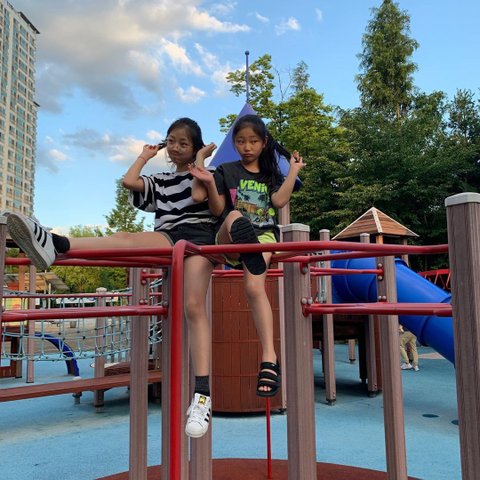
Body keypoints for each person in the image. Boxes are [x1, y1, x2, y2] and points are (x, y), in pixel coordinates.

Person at [6, 117, 217, 438]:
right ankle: (56, 244)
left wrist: (200, 161)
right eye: (171, 141)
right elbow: (130, 182)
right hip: (167, 237)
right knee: (124, 238)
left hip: (199, 238)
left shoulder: (206, 173)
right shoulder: (161, 179)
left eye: (183, 143)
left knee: (193, 306)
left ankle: (202, 395)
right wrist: (144, 155)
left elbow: (204, 199)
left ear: (196, 147)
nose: (175, 147)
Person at [190, 114, 306, 397]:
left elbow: (279, 201)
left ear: (264, 143)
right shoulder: (226, 170)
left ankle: (269, 357)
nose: (247, 147)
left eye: (253, 141)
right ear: (235, 143)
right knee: (232, 216)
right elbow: (216, 209)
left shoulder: (269, 174)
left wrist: (293, 170)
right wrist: (207, 177)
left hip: (263, 237)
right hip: (229, 238)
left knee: (254, 288)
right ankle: (244, 241)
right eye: (241, 141)